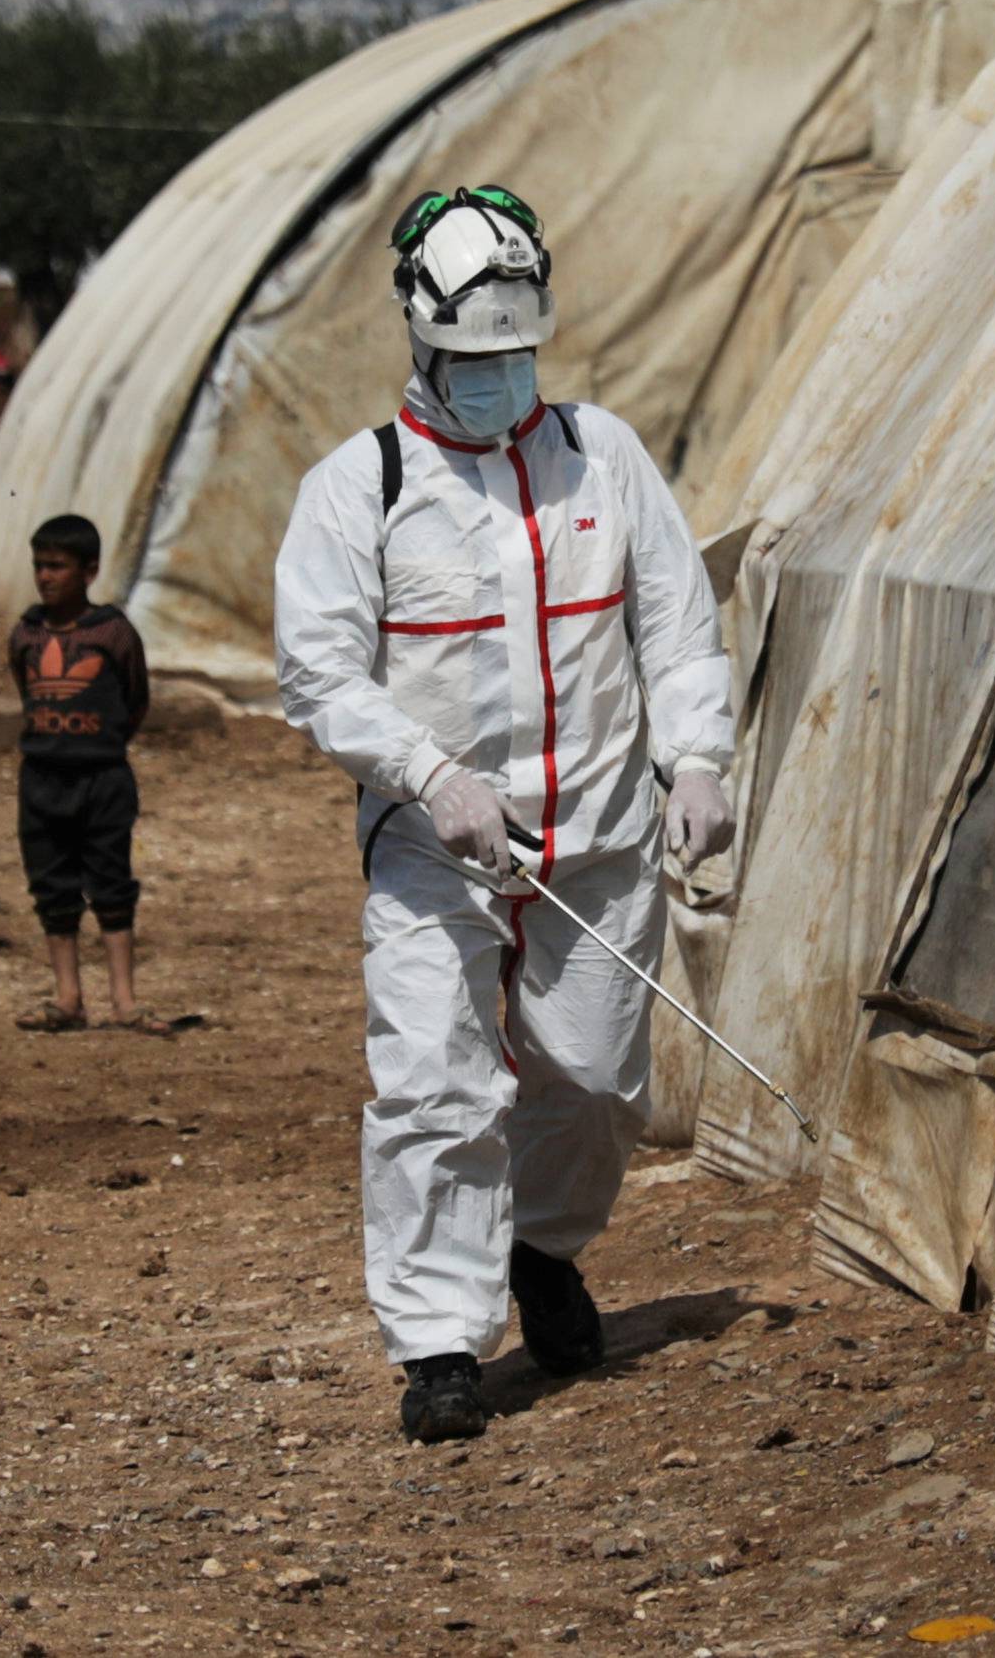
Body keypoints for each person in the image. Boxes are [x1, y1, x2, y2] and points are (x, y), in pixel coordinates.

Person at [275, 184, 736, 1443]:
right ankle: (439, 1342)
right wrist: (430, 775)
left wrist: (695, 759)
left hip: (596, 829)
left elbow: (675, 621)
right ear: (420, 342)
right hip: (438, 845)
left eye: (514, 355)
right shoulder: (358, 487)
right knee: (434, 1080)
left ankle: (542, 1247)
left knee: (590, 1076)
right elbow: (318, 671)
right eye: (472, 359)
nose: (497, 378)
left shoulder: (604, 456)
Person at [8, 514, 168, 1037]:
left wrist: (100, 744)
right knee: (51, 886)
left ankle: (125, 1000)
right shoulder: (26, 632)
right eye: (39, 565)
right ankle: (68, 997)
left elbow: (135, 698)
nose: (46, 576)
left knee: (112, 883)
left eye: (57, 566)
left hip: (102, 779)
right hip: (40, 779)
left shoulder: (112, 632)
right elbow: (24, 689)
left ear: (89, 571)